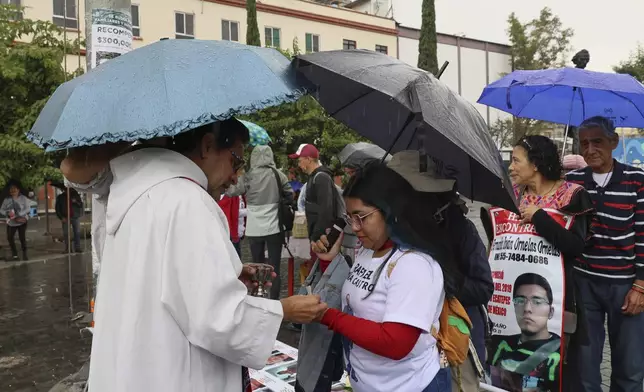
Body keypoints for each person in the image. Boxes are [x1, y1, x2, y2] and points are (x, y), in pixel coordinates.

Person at [86, 118, 327, 392]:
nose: (236, 177)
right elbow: (218, 319)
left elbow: (164, 278)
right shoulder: (188, 201)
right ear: (208, 145)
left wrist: (226, 272)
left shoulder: (137, 191)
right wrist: (284, 310)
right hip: (174, 373)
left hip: (136, 365)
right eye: (236, 161)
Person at [311, 161, 461, 392]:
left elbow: (396, 342)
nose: (355, 227)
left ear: (390, 210)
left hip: (410, 386)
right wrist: (329, 261)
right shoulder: (369, 249)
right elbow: (359, 296)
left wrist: (327, 316)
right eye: (350, 217)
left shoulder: (414, 264)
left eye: (362, 217)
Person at [483, 135, 594, 391]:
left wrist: (540, 218)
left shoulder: (572, 196)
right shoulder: (510, 196)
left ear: (535, 164)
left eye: (516, 160)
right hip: (511, 300)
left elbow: (576, 247)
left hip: (559, 301)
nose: (510, 167)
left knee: (556, 375)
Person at [389, 152, 492, 392]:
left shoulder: (459, 228)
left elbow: (483, 287)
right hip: (411, 349)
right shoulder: (395, 227)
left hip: (455, 344)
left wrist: (440, 279)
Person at [565, 116, 644, 392]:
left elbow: (643, 234)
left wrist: (640, 285)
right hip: (584, 283)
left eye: (597, 141)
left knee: (630, 367)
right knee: (585, 365)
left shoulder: (636, 181)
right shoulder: (572, 181)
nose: (589, 149)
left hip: (626, 284)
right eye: (584, 143)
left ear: (614, 142)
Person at [227, 145, 294, 300]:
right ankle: (275, 301)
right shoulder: (279, 175)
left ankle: (258, 298)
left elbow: (231, 191)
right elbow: (289, 193)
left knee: (256, 267)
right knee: (274, 267)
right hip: (275, 227)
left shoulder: (248, 176)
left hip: (254, 228)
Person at [490, 273, 561, 391]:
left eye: (537, 302)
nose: (527, 308)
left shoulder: (558, 354)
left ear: (551, 312)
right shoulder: (498, 343)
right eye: (520, 300)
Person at [1, 180, 31, 261]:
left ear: (18, 190)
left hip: (21, 221)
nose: (12, 190)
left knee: (22, 238)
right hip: (11, 222)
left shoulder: (23, 198)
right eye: (11, 189)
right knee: (10, 238)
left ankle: (25, 254)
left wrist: (20, 214)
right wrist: (7, 213)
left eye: (14, 188)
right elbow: (1, 210)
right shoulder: (7, 200)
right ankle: (15, 255)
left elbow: (28, 208)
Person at [217, 193, 246, 258]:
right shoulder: (228, 196)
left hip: (237, 231)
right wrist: (252, 211)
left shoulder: (240, 194)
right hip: (230, 233)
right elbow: (232, 214)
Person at [55, 188, 84, 253]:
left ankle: (77, 248)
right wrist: (61, 217)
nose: (67, 190)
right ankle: (68, 248)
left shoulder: (75, 195)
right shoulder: (60, 197)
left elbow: (81, 205)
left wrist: (76, 201)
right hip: (65, 217)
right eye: (65, 189)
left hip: (75, 217)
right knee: (66, 233)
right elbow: (57, 208)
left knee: (77, 232)